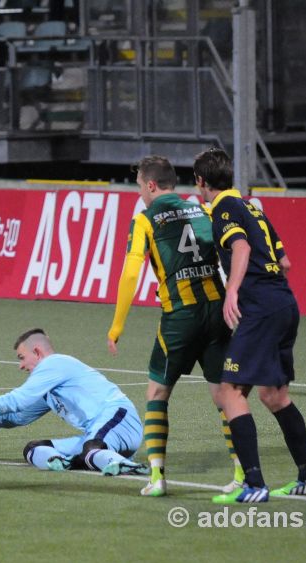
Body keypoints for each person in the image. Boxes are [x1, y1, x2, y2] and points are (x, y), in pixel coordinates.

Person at [106, 155, 242, 497]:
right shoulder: (203, 210)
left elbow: (131, 272)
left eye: (139, 186)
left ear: (151, 185)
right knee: (226, 397)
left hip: (181, 317)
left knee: (157, 394)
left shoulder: (145, 220)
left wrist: (116, 325)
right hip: (217, 312)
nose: (139, 192)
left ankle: (157, 477)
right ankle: (243, 473)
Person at [193, 147, 306, 503]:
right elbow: (285, 261)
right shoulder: (253, 207)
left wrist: (234, 288)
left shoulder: (223, 209)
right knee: (274, 395)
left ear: (201, 182)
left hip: (262, 309)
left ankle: (253, 484)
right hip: (285, 304)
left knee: (230, 393)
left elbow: (241, 247)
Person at [0, 328, 149, 477]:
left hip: (119, 419)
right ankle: (63, 463)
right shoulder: (49, 388)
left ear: (37, 352)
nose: (21, 365)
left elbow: (16, 401)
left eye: (21, 357)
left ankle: (126, 466)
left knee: (91, 447)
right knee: (33, 449)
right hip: (98, 436)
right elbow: (15, 417)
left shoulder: (55, 363)